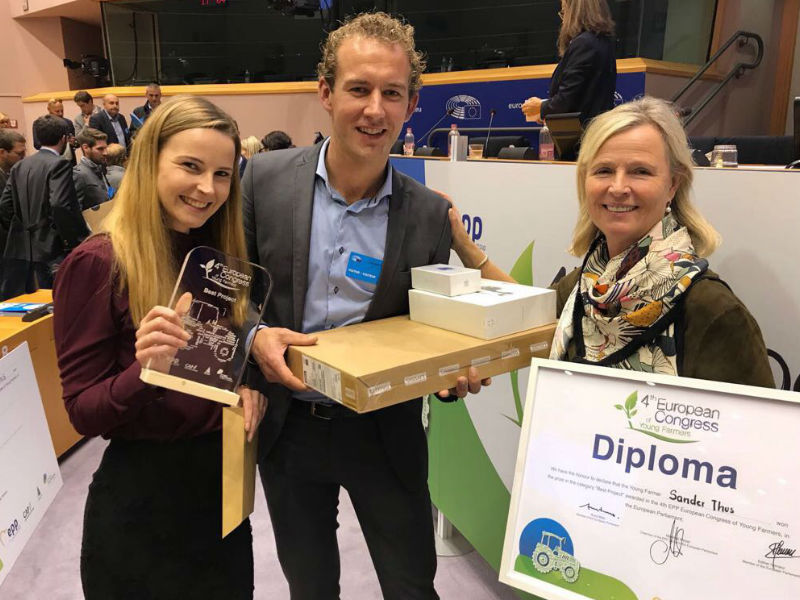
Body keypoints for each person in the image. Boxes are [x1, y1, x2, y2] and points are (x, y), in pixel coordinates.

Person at [243, 12, 488, 599]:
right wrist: (253, 336)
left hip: (385, 430)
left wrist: (449, 378)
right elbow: (233, 293)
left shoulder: (429, 214)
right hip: (289, 426)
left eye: (392, 93)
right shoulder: (262, 181)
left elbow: (428, 326)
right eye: (359, 89)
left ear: (411, 104)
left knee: (411, 585)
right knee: (310, 586)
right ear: (326, 92)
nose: (375, 110)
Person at [52, 95, 265, 599]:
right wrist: (145, 371)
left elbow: (219, 360)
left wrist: (246, 385)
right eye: (190, 166)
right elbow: (82, 411)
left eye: (222, 174)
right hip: (141, 511)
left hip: (220, 497)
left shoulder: (216, 259)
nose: (207, 188)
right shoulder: (99, 262)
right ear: (149, 162)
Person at [451, 96, 774, 388]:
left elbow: (755, 429)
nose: (618, 188)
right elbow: (521, 315)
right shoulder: (585, 287)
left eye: (640, 171)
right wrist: (463, 245)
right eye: (604, 170)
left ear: (673, 184)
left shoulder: (711, 309)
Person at [0, 115, 88, 299]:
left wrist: (25, 230)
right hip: (55, 248)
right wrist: (73, 241)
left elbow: (5, 205)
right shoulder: (59, 164)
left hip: (27, 249)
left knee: (41, 300)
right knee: (64, 299)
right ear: (63, 138)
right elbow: (59, 205)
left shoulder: (19, 166)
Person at [521, 0, 616, 128]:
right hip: (597, 128)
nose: (563, 19)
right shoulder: (603, 42)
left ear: (574, 12)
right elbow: (583, 94)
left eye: (564, 11)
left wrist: (541, 107)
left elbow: (569, 98)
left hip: (582, 131)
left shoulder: (584, 44)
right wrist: (548, 113)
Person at [73, 127, 110, 210]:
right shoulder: (78, 175)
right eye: (100, 149)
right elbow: (74, 211)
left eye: (106, 148)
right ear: (85, 148)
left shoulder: (101, 167)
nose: (105, 153)